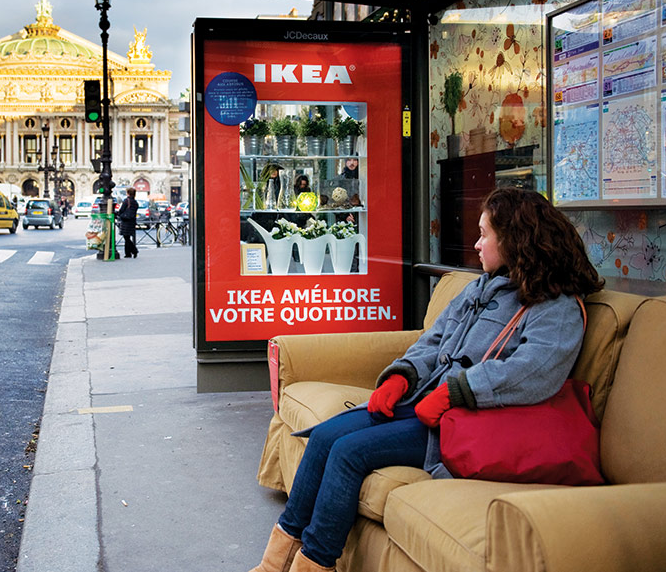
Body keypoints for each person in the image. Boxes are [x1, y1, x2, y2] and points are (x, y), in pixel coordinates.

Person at [248, 187, 603, 572]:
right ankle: (274, 563)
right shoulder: (479, 288)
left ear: (516, 239)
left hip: (461, 423)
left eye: (485, 234)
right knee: (322, 437)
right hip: (422, 403)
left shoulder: (556, 304)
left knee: (350, 453)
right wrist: (401, 376)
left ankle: (315, 563)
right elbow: (433, 340)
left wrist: (457, 392)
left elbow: (535, 371)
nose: (477, 244)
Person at [118, 187, 139, 258]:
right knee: (127, 237)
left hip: (126, 221)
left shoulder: (126, 201)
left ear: (128, 193)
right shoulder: (135, 202)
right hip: (132, 221)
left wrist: (118, 214)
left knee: (126, 237)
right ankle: (128, 253)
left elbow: (121, 210)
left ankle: (134, 250)